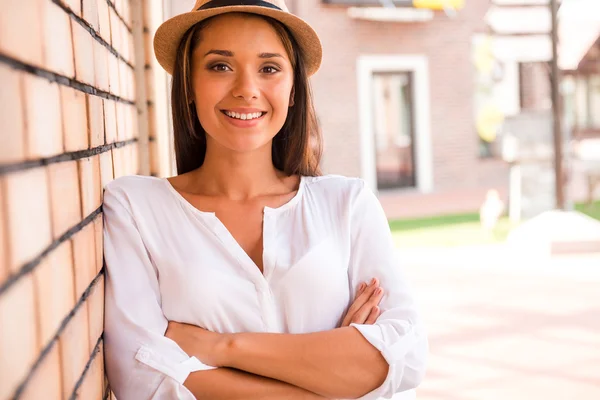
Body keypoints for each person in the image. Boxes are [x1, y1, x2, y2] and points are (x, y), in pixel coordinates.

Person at [102, 1, 428, 399]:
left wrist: (221, 347)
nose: (246, 89)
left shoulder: (347, 204)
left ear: (293, 92)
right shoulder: (137, 207)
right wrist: (333, 374)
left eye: (269, 68)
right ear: (188, 84)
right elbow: (142, 378)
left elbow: (405, 357)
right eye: (220, 66)